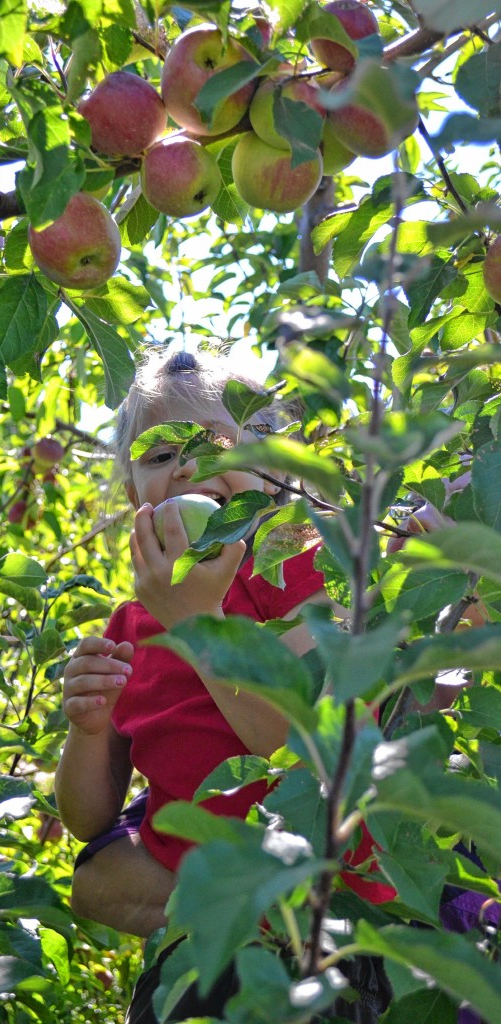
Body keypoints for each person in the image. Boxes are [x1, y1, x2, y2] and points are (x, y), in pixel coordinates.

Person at [53, 348, 394, 1022]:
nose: (183, 467)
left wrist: (200, 624)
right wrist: (87, 728)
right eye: (156, 457)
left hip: (326, 926)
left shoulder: (300, 574)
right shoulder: (131, 621)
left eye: (210, 447)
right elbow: (88, 819)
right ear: (132, 496)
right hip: (196, 942)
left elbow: (301, 746)